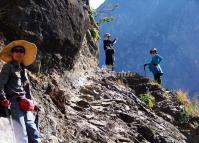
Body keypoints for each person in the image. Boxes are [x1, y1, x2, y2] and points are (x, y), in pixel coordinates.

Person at [0, 40, 41, 143]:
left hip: (26, 105)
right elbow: (0, 84)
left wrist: (33, 103)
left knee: (34, 133)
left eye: (21, 51)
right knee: (22, 136)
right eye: (16, 50)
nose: (18, 52)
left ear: (23, 54)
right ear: (12, 53)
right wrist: (3, 98)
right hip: (14, 104)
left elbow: (27, 90)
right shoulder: (8, 67)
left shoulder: (24, 70)